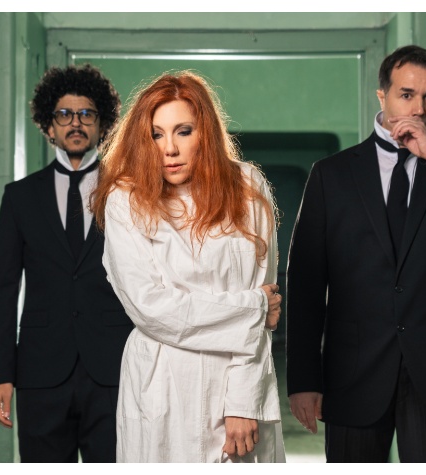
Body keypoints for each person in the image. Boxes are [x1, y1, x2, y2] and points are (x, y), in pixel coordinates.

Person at [286, 45, 426, 462]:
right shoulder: (331, 175)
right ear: (382, 96)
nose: (419, 108)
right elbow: (306, 283)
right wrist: (303, 380)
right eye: (407, 94)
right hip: (354, 371)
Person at [91, 71, 286, 463]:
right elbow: (151, 308)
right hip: (160, 384)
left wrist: (243, 402)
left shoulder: (248, 187)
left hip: (234, 383)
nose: (170, 148)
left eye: (183, 131)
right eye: (156, 134)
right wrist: (253, 307)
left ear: (205, 133)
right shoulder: (125, 199)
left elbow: (260, 291)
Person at [0, 64, 134, 462]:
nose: (76, 123)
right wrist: (2, 375)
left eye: (86, 114)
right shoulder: (19, 197)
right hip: (40, 373)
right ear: (49, 126)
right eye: (65, 115)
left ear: (102, 125)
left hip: (114, 369)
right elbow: (3, 289)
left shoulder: (128, 193)